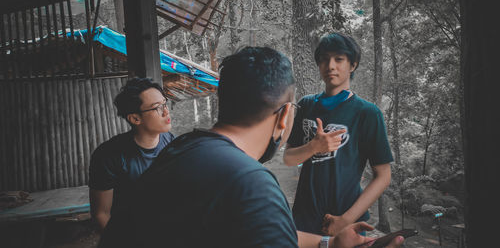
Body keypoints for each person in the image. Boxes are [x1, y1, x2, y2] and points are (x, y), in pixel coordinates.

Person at [98, 47, 403, 248]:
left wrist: (328, 244)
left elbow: (258, 228)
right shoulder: (251, 183)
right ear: (284, 116)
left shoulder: (180, 149)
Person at [284, 33, 394, 236]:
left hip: (346, 221)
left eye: (339, 59)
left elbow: (383, 176)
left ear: (352, 65)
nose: (330, 65)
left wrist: (346, 220)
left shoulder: (367, 113)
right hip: (303, 219)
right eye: (324, 59)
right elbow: (289, 159)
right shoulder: (307, 105)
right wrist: (314, 147)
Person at [88, 77, 175, 231]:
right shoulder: (108, 156)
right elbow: (101, 214)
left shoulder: (169, 140)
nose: (166, 112)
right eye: (157, 108)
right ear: (135, 118)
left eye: (165, 104)